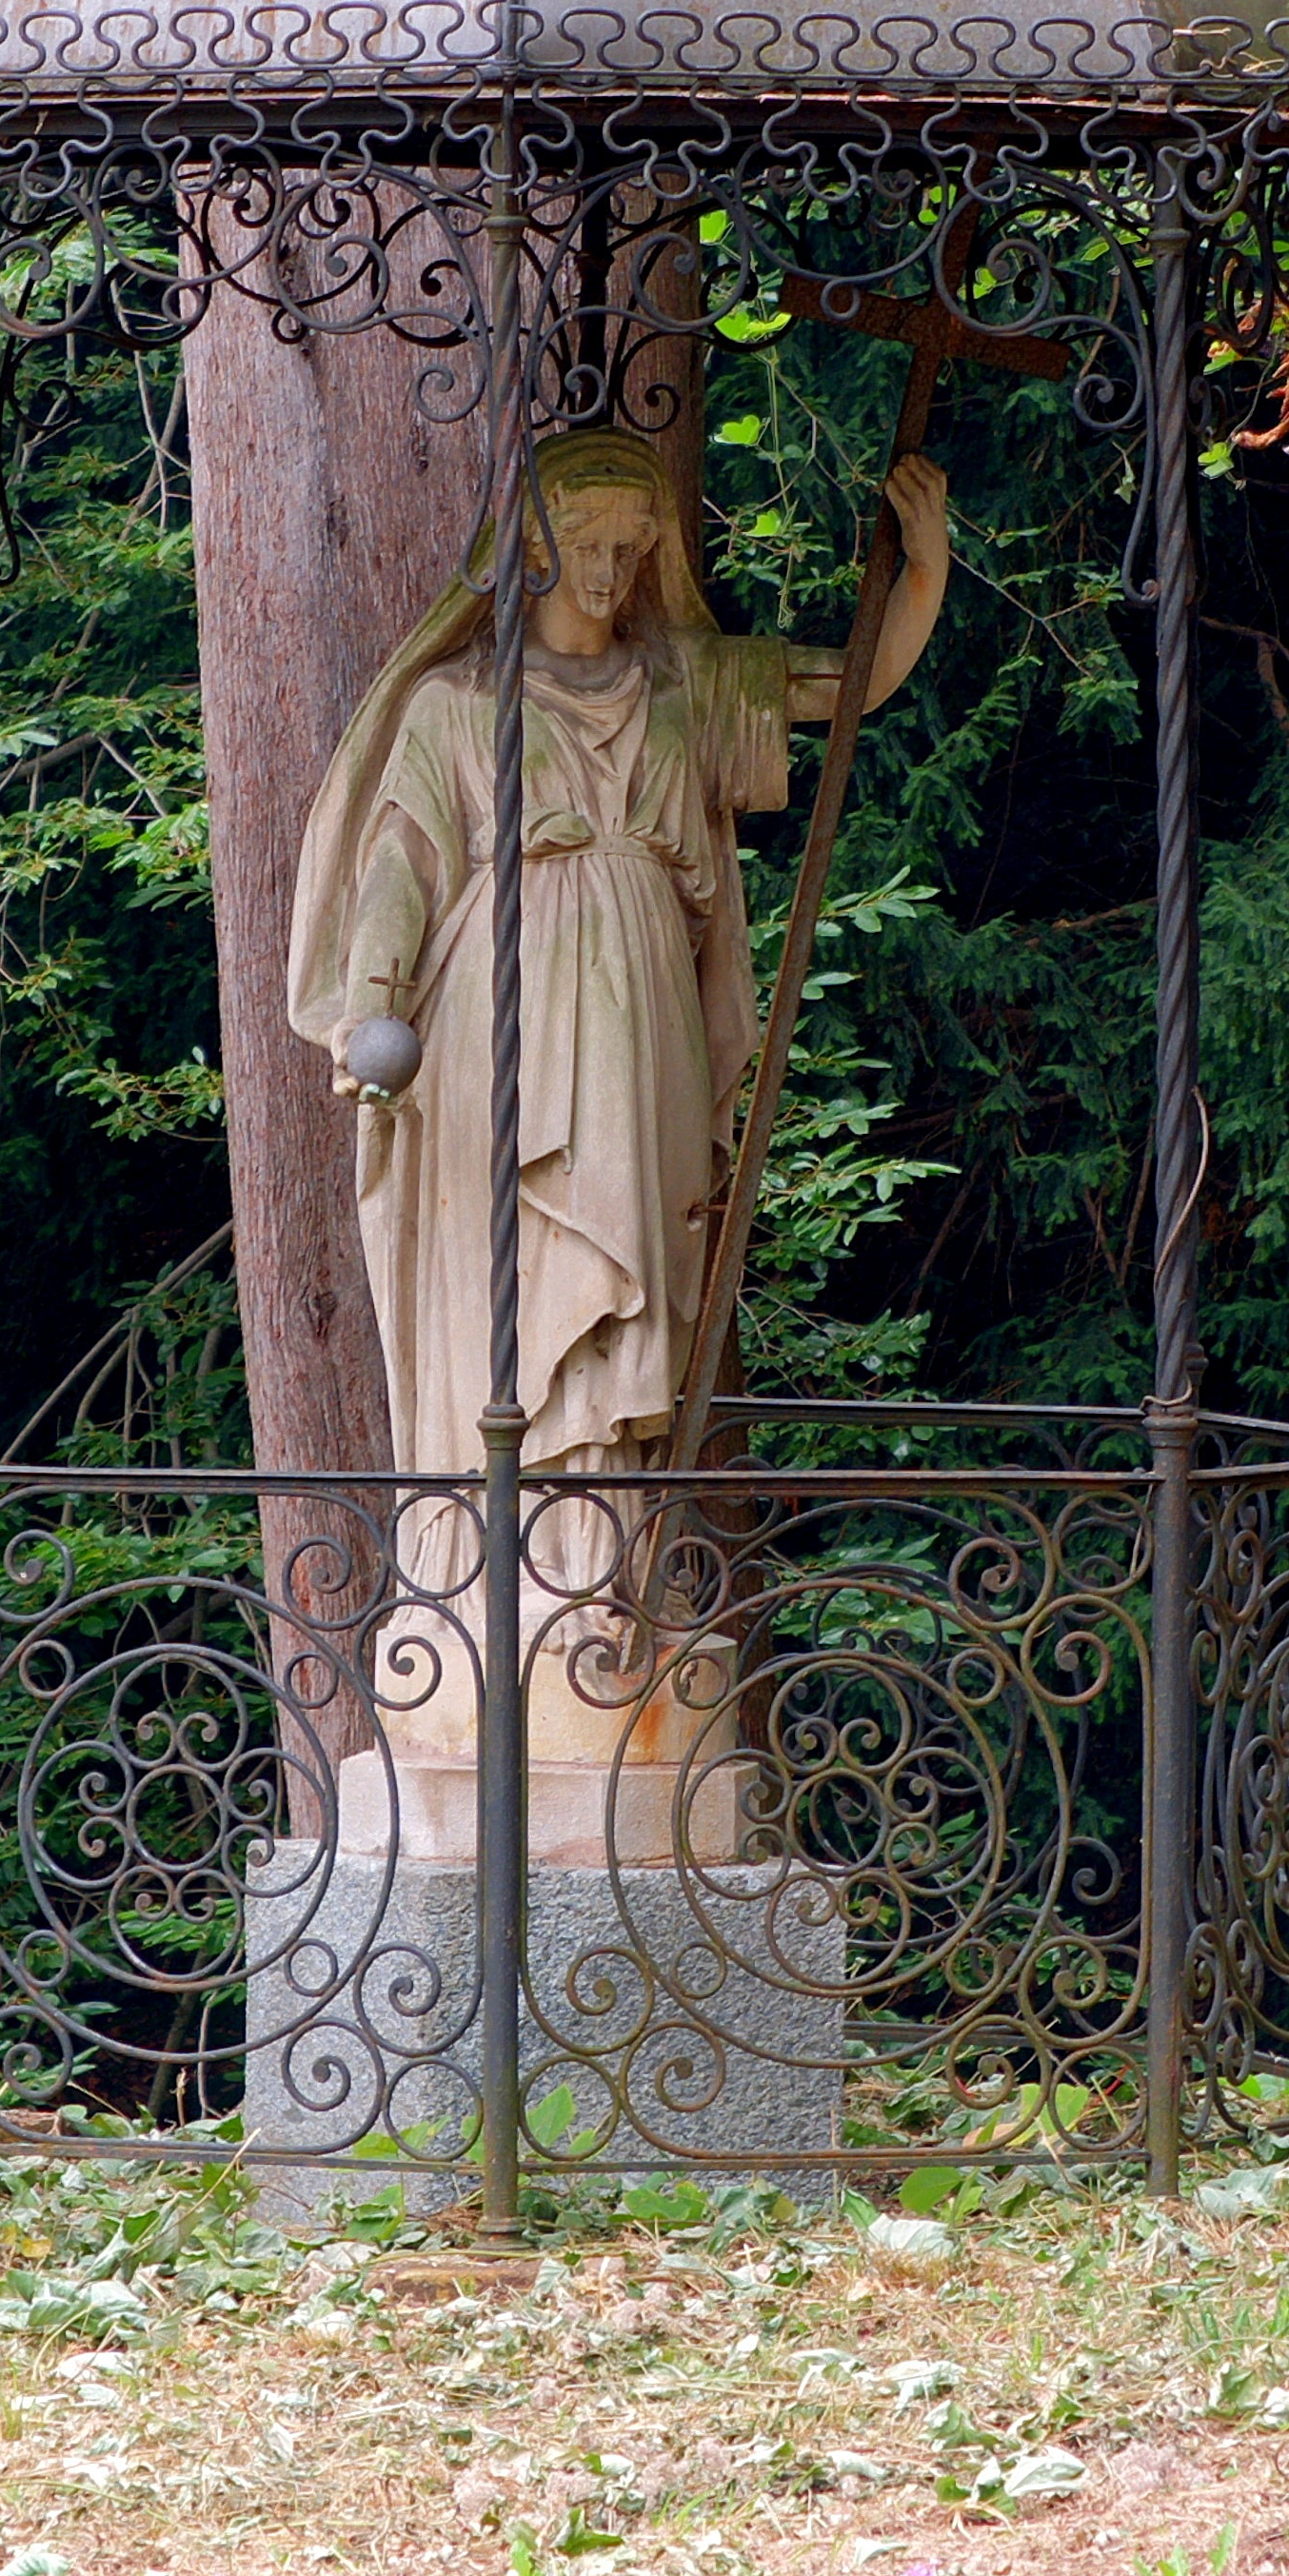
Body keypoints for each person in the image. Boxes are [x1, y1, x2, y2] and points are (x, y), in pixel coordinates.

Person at [285, 425, 949, 1841]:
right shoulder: (459, 709)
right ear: (531, 544)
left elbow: (855, 687)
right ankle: (494, 1585)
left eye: (633, 545)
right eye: (587, 538)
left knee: (631, 1290)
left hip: (641, 1008)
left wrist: (927, 565)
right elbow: (400, 869)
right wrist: (377, 1017)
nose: (609, 564)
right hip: (490, 1015)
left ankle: (610, 1578)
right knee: (507, 1303)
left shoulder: (682, 689)